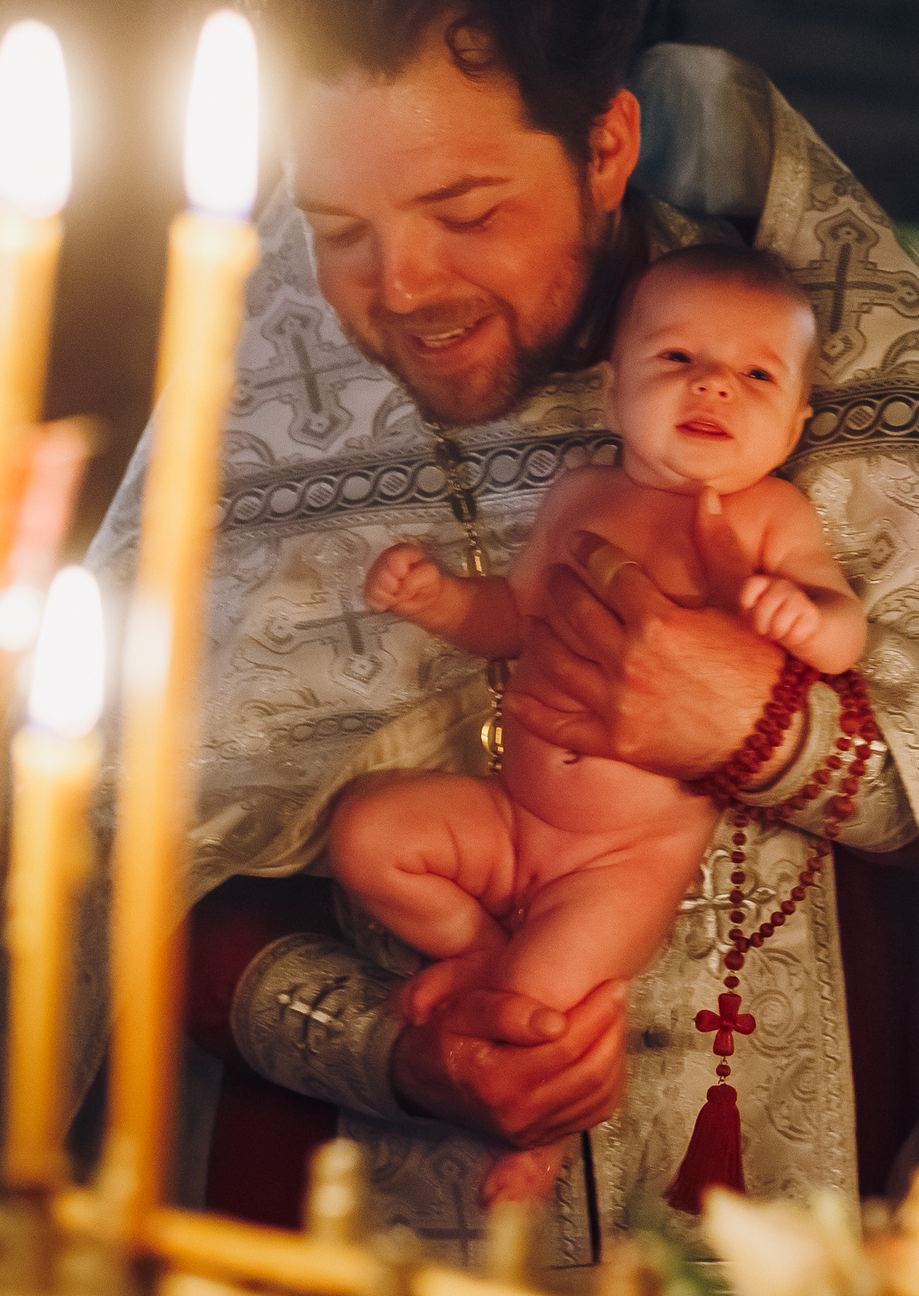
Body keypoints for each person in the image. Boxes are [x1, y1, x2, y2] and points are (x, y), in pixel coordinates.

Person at [84, 0, 919, 1264]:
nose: (402, 289)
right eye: (336, 228)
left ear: (606, 147)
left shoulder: (786, 366)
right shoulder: (265, 424)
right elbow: (98, 865)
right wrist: (392, 1044)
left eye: (466, 212)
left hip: (766, 1216)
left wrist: (768, 727)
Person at [337, 245, 866, 1207]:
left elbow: (843, 627)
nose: (714, 385)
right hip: (512, 815)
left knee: (533, 1007)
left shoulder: (769, 517)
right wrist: (439, 600)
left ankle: (548, 1129)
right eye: (678, 359)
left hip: (621, 861)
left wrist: (807, 619)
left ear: (795, 423)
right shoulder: (580, 496)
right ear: (613, 390)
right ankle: (470, 946)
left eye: (756, 376)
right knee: (369, 836)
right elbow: (516, 617)